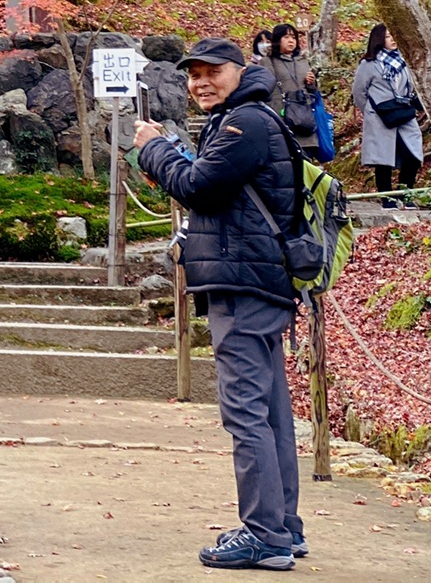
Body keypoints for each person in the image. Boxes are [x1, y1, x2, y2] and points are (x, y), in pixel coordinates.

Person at [132, 38, 304, 571]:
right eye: (193, 75)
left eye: (213, 72)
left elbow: (198, 187)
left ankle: (265, 535)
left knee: (247, 412)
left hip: (244, 287)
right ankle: (281, 526)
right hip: (256, 282)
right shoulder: (244, 119)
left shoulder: (243, 123)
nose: (201, 82)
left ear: (241, 71)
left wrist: (152, 148)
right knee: (270, 411)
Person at [352, 24, 423, 204]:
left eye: (394, 35)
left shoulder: (404, 61)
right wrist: (370, 110)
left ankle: (405, 195)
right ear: (378, 40)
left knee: (413, 155)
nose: (392, 39)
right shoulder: (369, 64)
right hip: (379, 116)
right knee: (383, 159)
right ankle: (386, 198)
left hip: (405, 113)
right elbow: (359, 92)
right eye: (387, 36)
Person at [267, 24, 319, 155]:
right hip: (282, 118)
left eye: (293, 37)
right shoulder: (268, 61)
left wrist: (311, 83)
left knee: (307, 161)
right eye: (286, 37)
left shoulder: (303, 61)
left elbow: (312, 91)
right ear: (277, 40)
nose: (291, 41)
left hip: (305, 117)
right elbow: (267, 90)